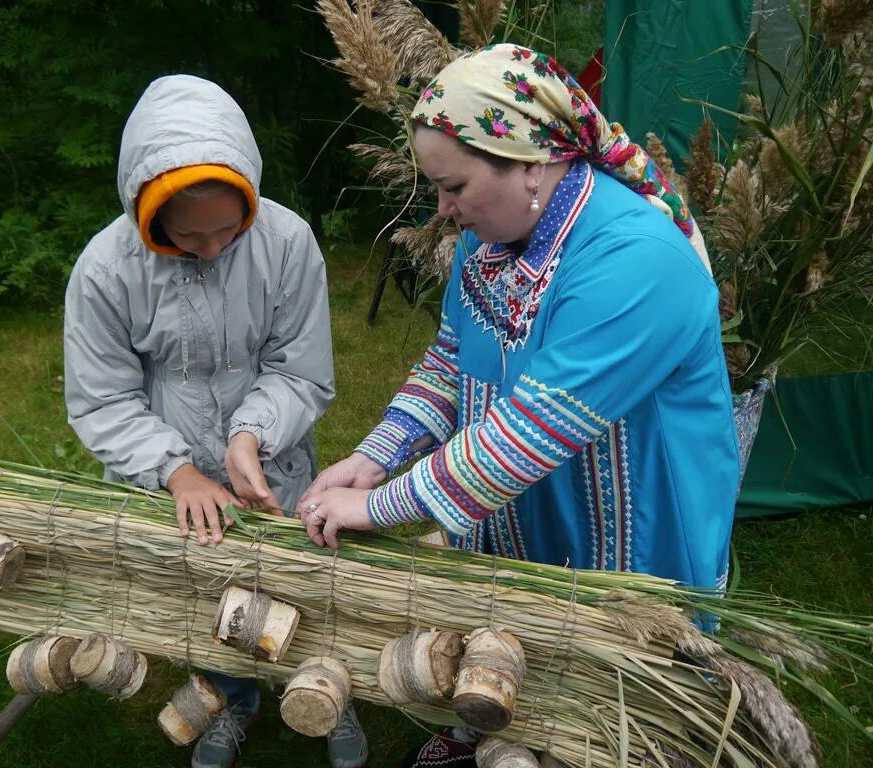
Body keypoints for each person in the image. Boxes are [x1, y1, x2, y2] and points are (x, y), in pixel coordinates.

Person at [297, 44, 738, 766]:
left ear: (530, 163)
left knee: (619, 677)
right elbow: (450, 361)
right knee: (514, 632)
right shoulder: (491, 240)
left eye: (454, 185)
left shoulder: (636, 261)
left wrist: (376, 509)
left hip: (631, 513)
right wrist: (373, 458)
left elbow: (528, 433)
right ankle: (497, 729)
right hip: (524, 501)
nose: (442, 209)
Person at [64, 74, 367, 768]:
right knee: (207, 598)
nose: (213, 248)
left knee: (298, 576)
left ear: (249, 196)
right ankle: (234, 696)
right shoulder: (107, 270)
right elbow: (102, 399)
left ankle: (325, 685)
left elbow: (300, 370)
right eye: (190, 235)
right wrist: (176, 472)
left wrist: (248, 436)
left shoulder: (286, 242)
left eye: (229, 228)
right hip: (166, 482)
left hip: (275, 463)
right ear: (149, 215)